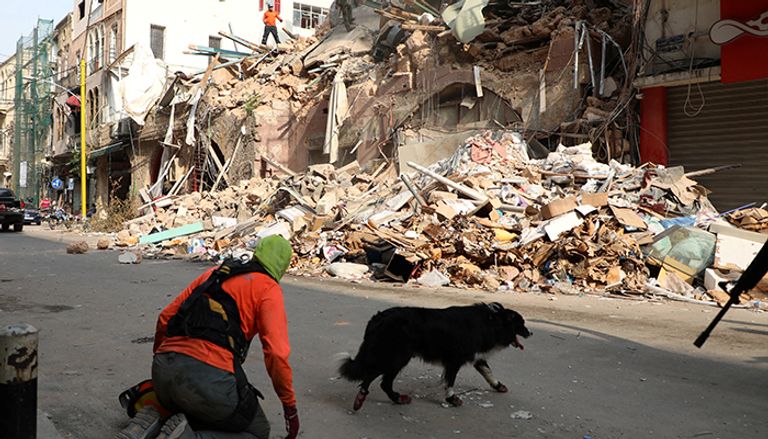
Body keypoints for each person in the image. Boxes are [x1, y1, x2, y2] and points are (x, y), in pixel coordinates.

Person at [116, 236, 299, 439]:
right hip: (209, 379)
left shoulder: (216, 273)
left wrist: (165, 362)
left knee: (195, 405)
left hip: (163, 371)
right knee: (257, 432)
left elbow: (165, 317)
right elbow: (276, 353)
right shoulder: (268, 289)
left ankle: (150, 421)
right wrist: (289, 406)